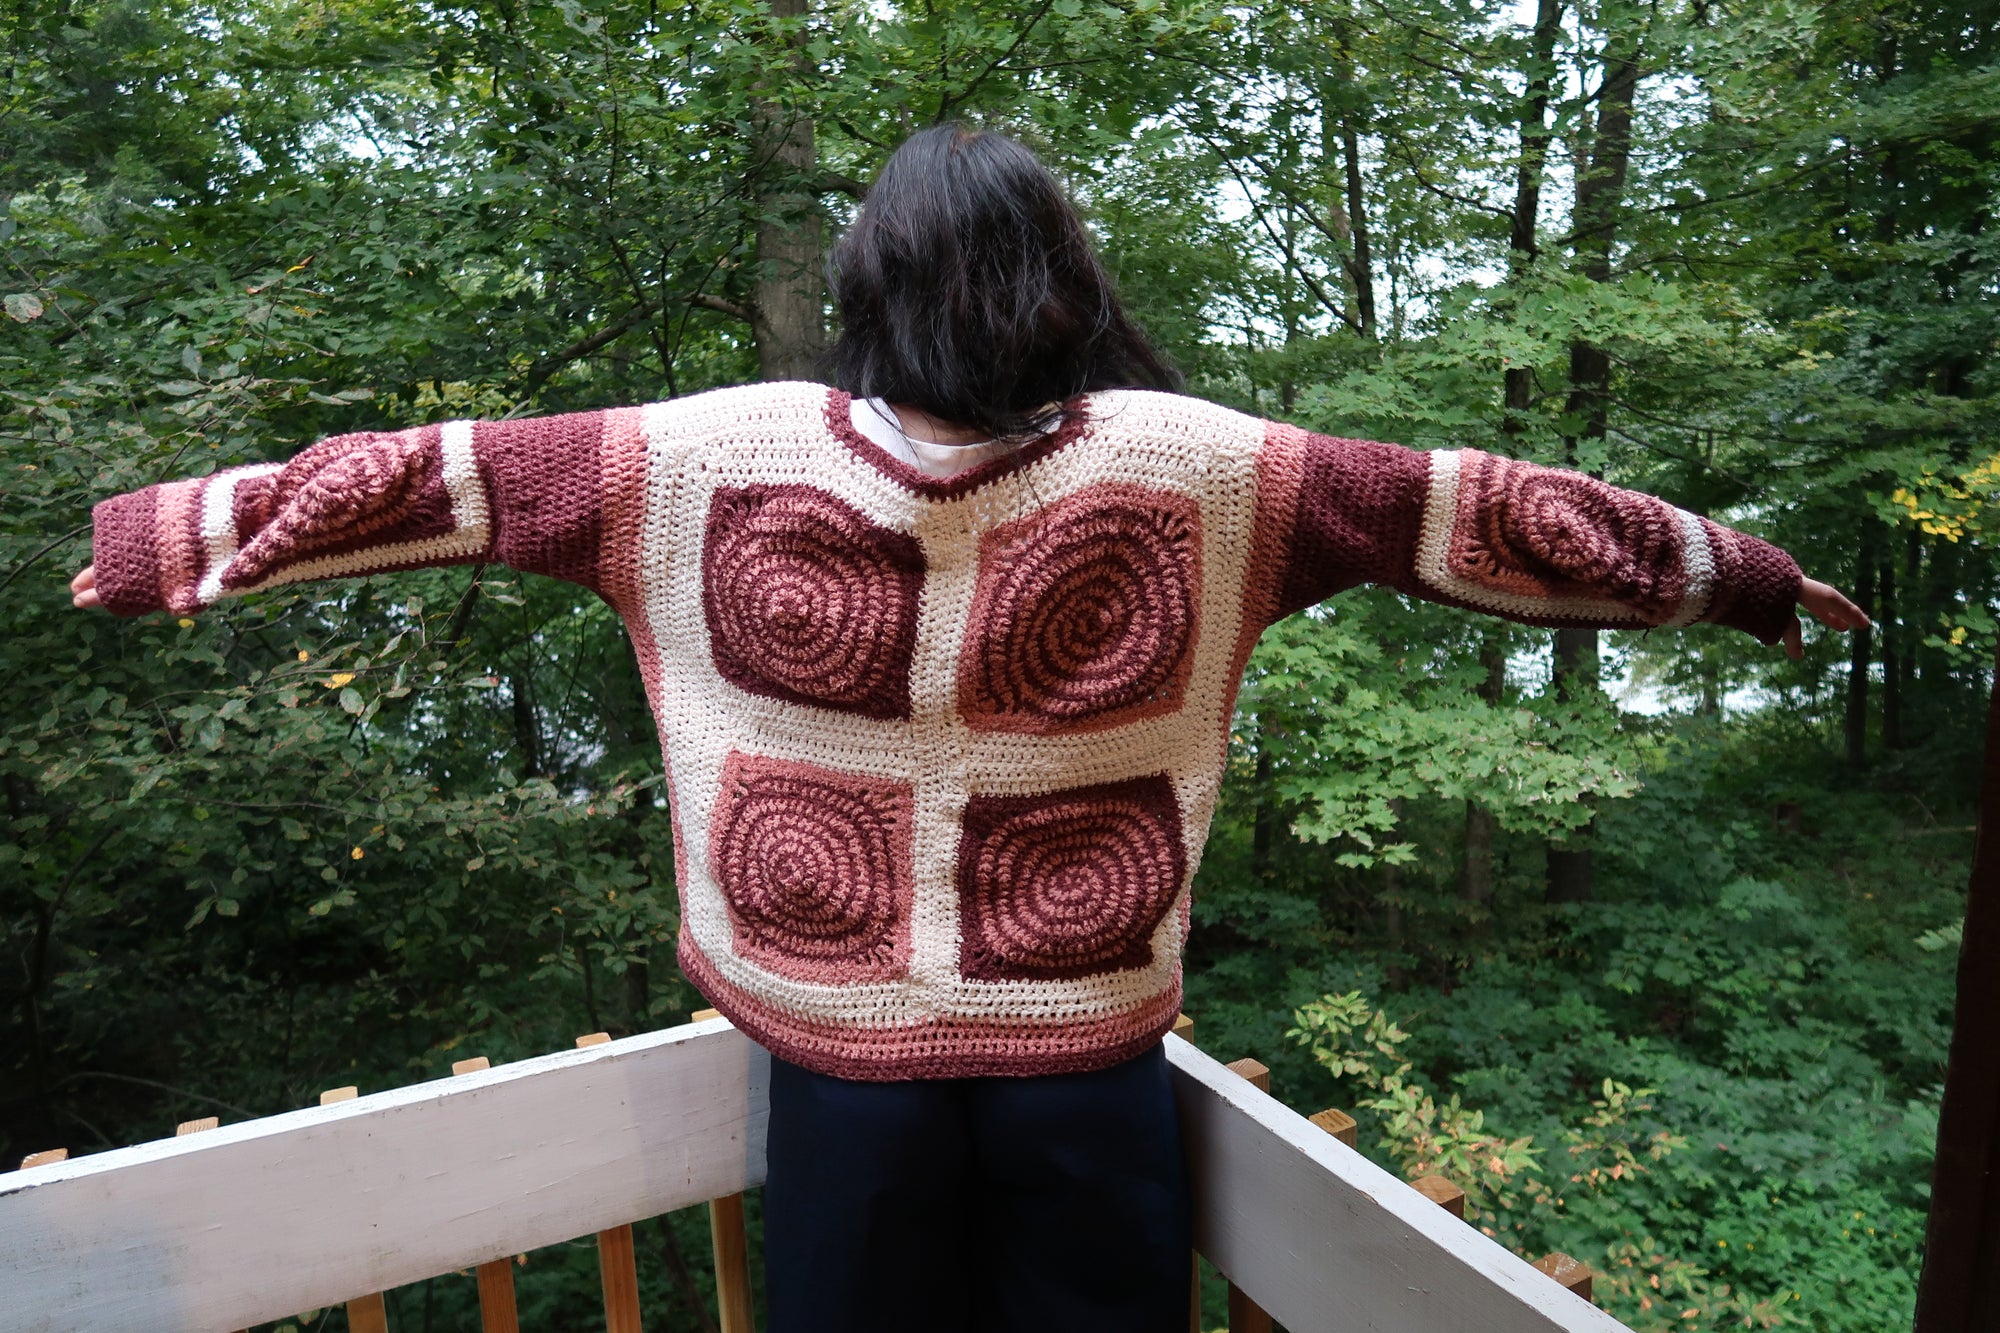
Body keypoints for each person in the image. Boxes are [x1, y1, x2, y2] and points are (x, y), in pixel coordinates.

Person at [69, 124, 1866, 1332]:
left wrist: (169, 541)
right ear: (1060, 278)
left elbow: (420, 482)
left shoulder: (690, 457)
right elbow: (1493, 513)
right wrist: (1750, 581)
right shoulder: (1219, 473)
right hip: (1093, 1071)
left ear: (872, 279)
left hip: (837, 1075)